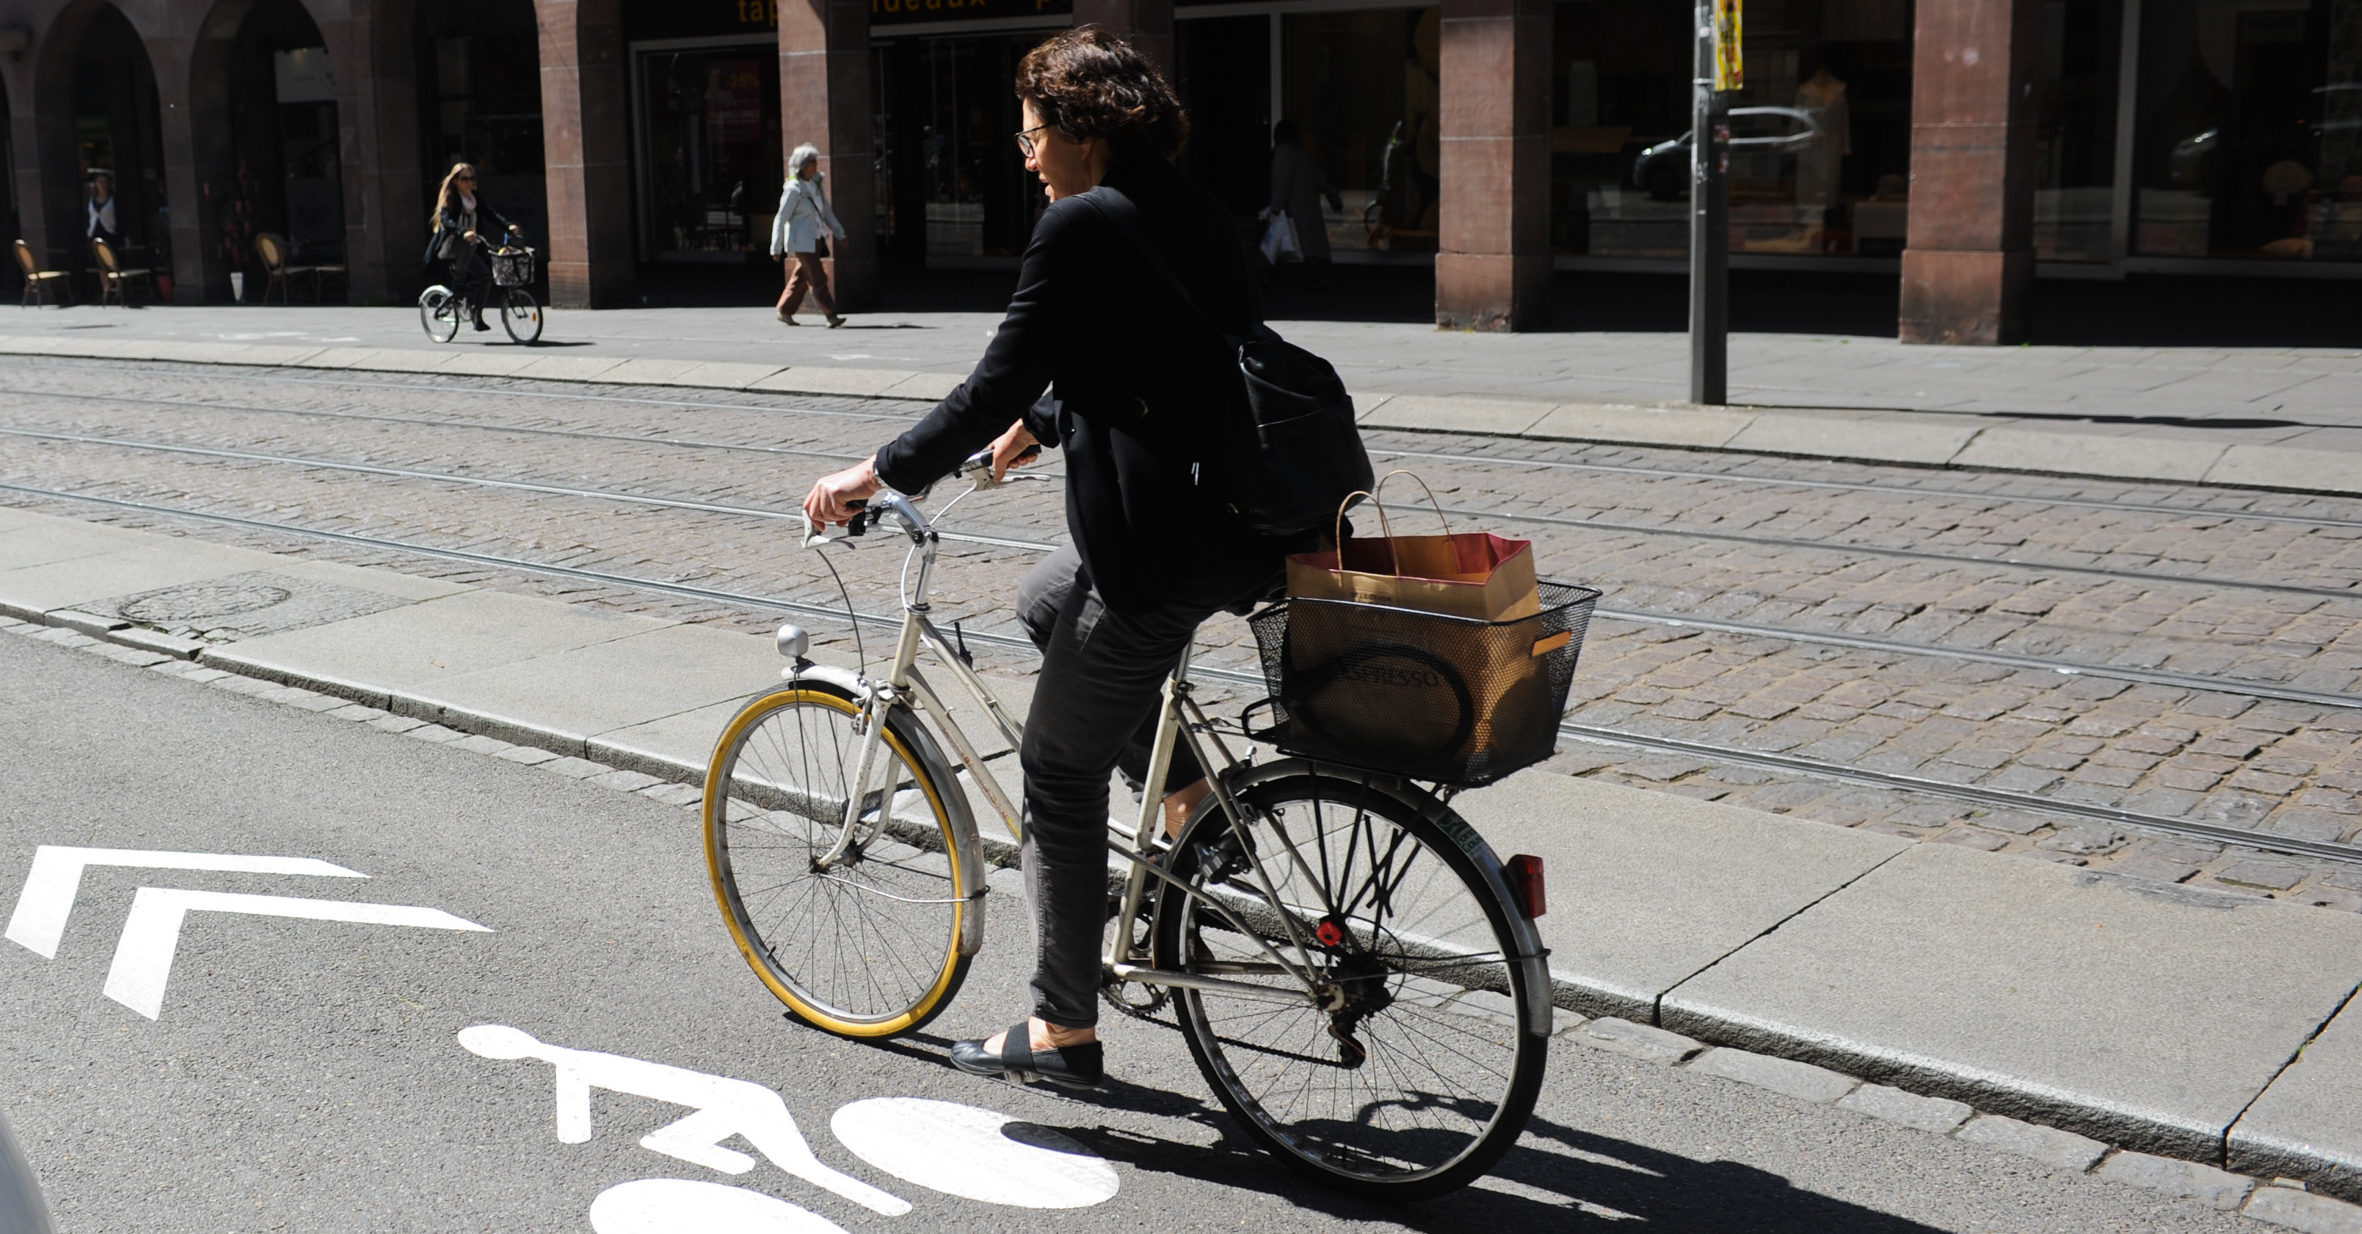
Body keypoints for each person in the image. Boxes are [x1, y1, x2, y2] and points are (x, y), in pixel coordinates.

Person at [800, 26, 1298, 1091]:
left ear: (1081, 129)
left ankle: (1062, 1026)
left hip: (1156, 553)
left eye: (1031, 134)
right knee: (1039, 598)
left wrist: (875, 473)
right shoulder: (1194, 210)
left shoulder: (1078, 224)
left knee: (1056, 770)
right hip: (1238, 528)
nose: (1025, 156)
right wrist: (1045, 422)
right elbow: (1160, 361)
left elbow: (993, 378)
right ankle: (1191, 806)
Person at [423, 162, 519, 332]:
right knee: (468, 245)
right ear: (455, 181)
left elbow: (489, 213)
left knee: (486, 276)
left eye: (471, 178)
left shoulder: (474, 198)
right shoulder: (451, 198)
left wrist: (508, 226)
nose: (469, 182)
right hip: (450, 246)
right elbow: (446, 220)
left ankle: (476, 315)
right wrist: (463, 231)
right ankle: (457, 284)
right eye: (464, 179)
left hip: (469, 246)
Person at [770, 145, 847, 327]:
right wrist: (776, 247)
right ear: (803, 165)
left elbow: (826, 212)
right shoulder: (793, 190)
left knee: (802, 276)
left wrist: (840, 233)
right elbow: (781, 217)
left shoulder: (814, 186)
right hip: (802, 242)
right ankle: (831, 314)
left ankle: (784, 309)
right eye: (813, 161)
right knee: (818, 278)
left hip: (816, 239)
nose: (816, 164)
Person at [1266, 120, 1342, 290]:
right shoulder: (1301, 153)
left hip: (1292, 210)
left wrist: (1275, 209)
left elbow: (1282, 183)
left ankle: (1272, 278)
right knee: (1310, 247)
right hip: (1306, 208)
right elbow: (1320, 178)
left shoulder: (1283, 152)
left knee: (1287, 245)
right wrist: (1333, 196)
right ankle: (1318, 279)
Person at [85, 171, 124, 248]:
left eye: (105, 182)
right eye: (100, 182)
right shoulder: (90, 200)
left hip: (110, 235)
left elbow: (121, 217)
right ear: (96, 184)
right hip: (93, 235)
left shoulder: (114, 200)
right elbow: (87, 217)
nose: (103, 184)